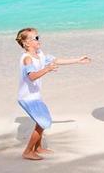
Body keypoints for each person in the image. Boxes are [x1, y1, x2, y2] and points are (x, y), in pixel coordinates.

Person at [14, 27, 91, 160]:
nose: (39, 40)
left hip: (35, 96)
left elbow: (56, 60)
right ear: (26, 43)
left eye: (38, 37)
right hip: (27, 97)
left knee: (41, 122)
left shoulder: (39, 54)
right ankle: (27, 152)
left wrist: (78, 60)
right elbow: (32, 76)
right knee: (43, 122)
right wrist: (47, 69)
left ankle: (38, 148)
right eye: (35, 38)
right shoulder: (27, 59)